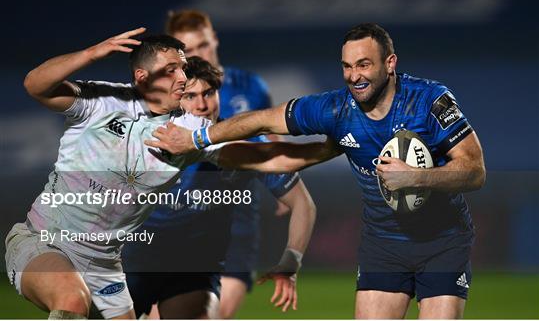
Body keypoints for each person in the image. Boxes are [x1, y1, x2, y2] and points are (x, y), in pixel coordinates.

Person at [146, 23, 487, 319]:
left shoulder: (429, 100)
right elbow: (263, 120)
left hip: (442, 241)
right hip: (383, 245)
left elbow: (474, 171)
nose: (354, 75)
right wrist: (198, 137)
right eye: (347, 66)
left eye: (364, 64)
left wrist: (417, 178)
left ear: (390, 63)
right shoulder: (334, 109)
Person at [5, 29, 329, 319]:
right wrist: (90, 53)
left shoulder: (189, 132)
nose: (182, 77)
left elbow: (268, 158)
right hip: (45, 241)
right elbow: (35, 84)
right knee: (70, 299)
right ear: (142, 76)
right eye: (171, 69)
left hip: (106, 264)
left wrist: (336, 146)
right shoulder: (101, 101)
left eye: (183, 68)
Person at [123, 56, 316, 319]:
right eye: (189, 96)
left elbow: (303, 203)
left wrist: (290, 262)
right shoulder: (146, 138)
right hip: (133, 263)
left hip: (195, 272)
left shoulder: (242, 142)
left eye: (208, 93)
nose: (201, 105)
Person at [163, 9, 290, 318]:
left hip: (235, 223)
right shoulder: (166, 92)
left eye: (203, 45)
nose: (197, 54)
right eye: (187, 50)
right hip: (177, 223)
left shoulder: (250, 87)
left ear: (214, 39)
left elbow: (270, 136)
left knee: (214, 314)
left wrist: (284, 180)